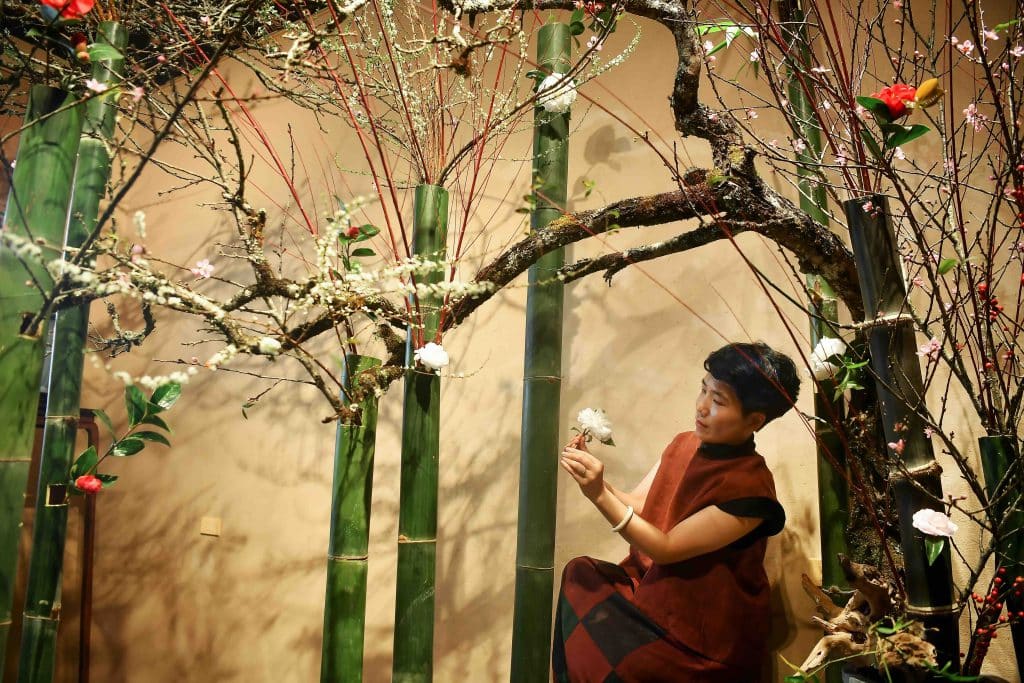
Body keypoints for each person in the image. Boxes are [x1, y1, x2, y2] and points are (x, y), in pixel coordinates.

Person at [553, 341, 801, 683]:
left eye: (718, 401)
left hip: (700, 641)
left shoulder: (751, 490)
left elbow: (665, 549)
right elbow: (643, 506)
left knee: (621, 664)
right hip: (652, 596)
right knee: (580, 575)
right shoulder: (685, 443)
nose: (702, 406)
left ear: (755, 420)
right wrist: (596, 479)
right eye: (703, 389)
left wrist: (597, 495)